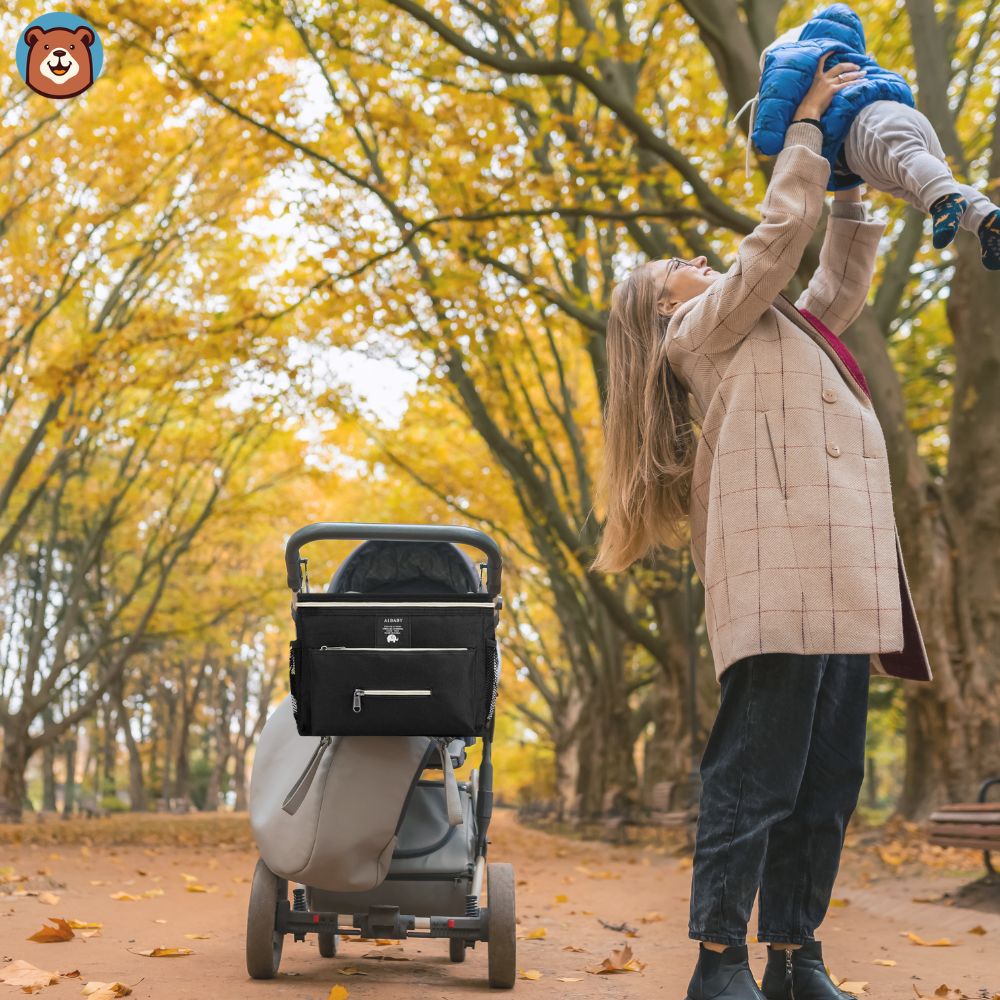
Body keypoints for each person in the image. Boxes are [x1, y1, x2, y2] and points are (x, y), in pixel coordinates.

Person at [591, 52, 934, 1000]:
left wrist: (856, 198)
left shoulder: (765, 328)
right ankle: (718, 960)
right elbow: (781, 235)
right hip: (775, 578)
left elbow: (833, 295)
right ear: (662, 304)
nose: (700, 264)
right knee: (756, 777)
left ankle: (795, 956)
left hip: (839, 573)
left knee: (827, 785)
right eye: (681, 268)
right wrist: (809, 129)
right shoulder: (693, 332)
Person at [733, 3, 1000, 269]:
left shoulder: (792, 55)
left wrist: (766, 137)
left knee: (910, 163)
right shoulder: (852, 60)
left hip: (869, 124)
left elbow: (775, 98)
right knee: (918, 186)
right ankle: (985, 218)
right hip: (896, 125)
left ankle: (943, 197)